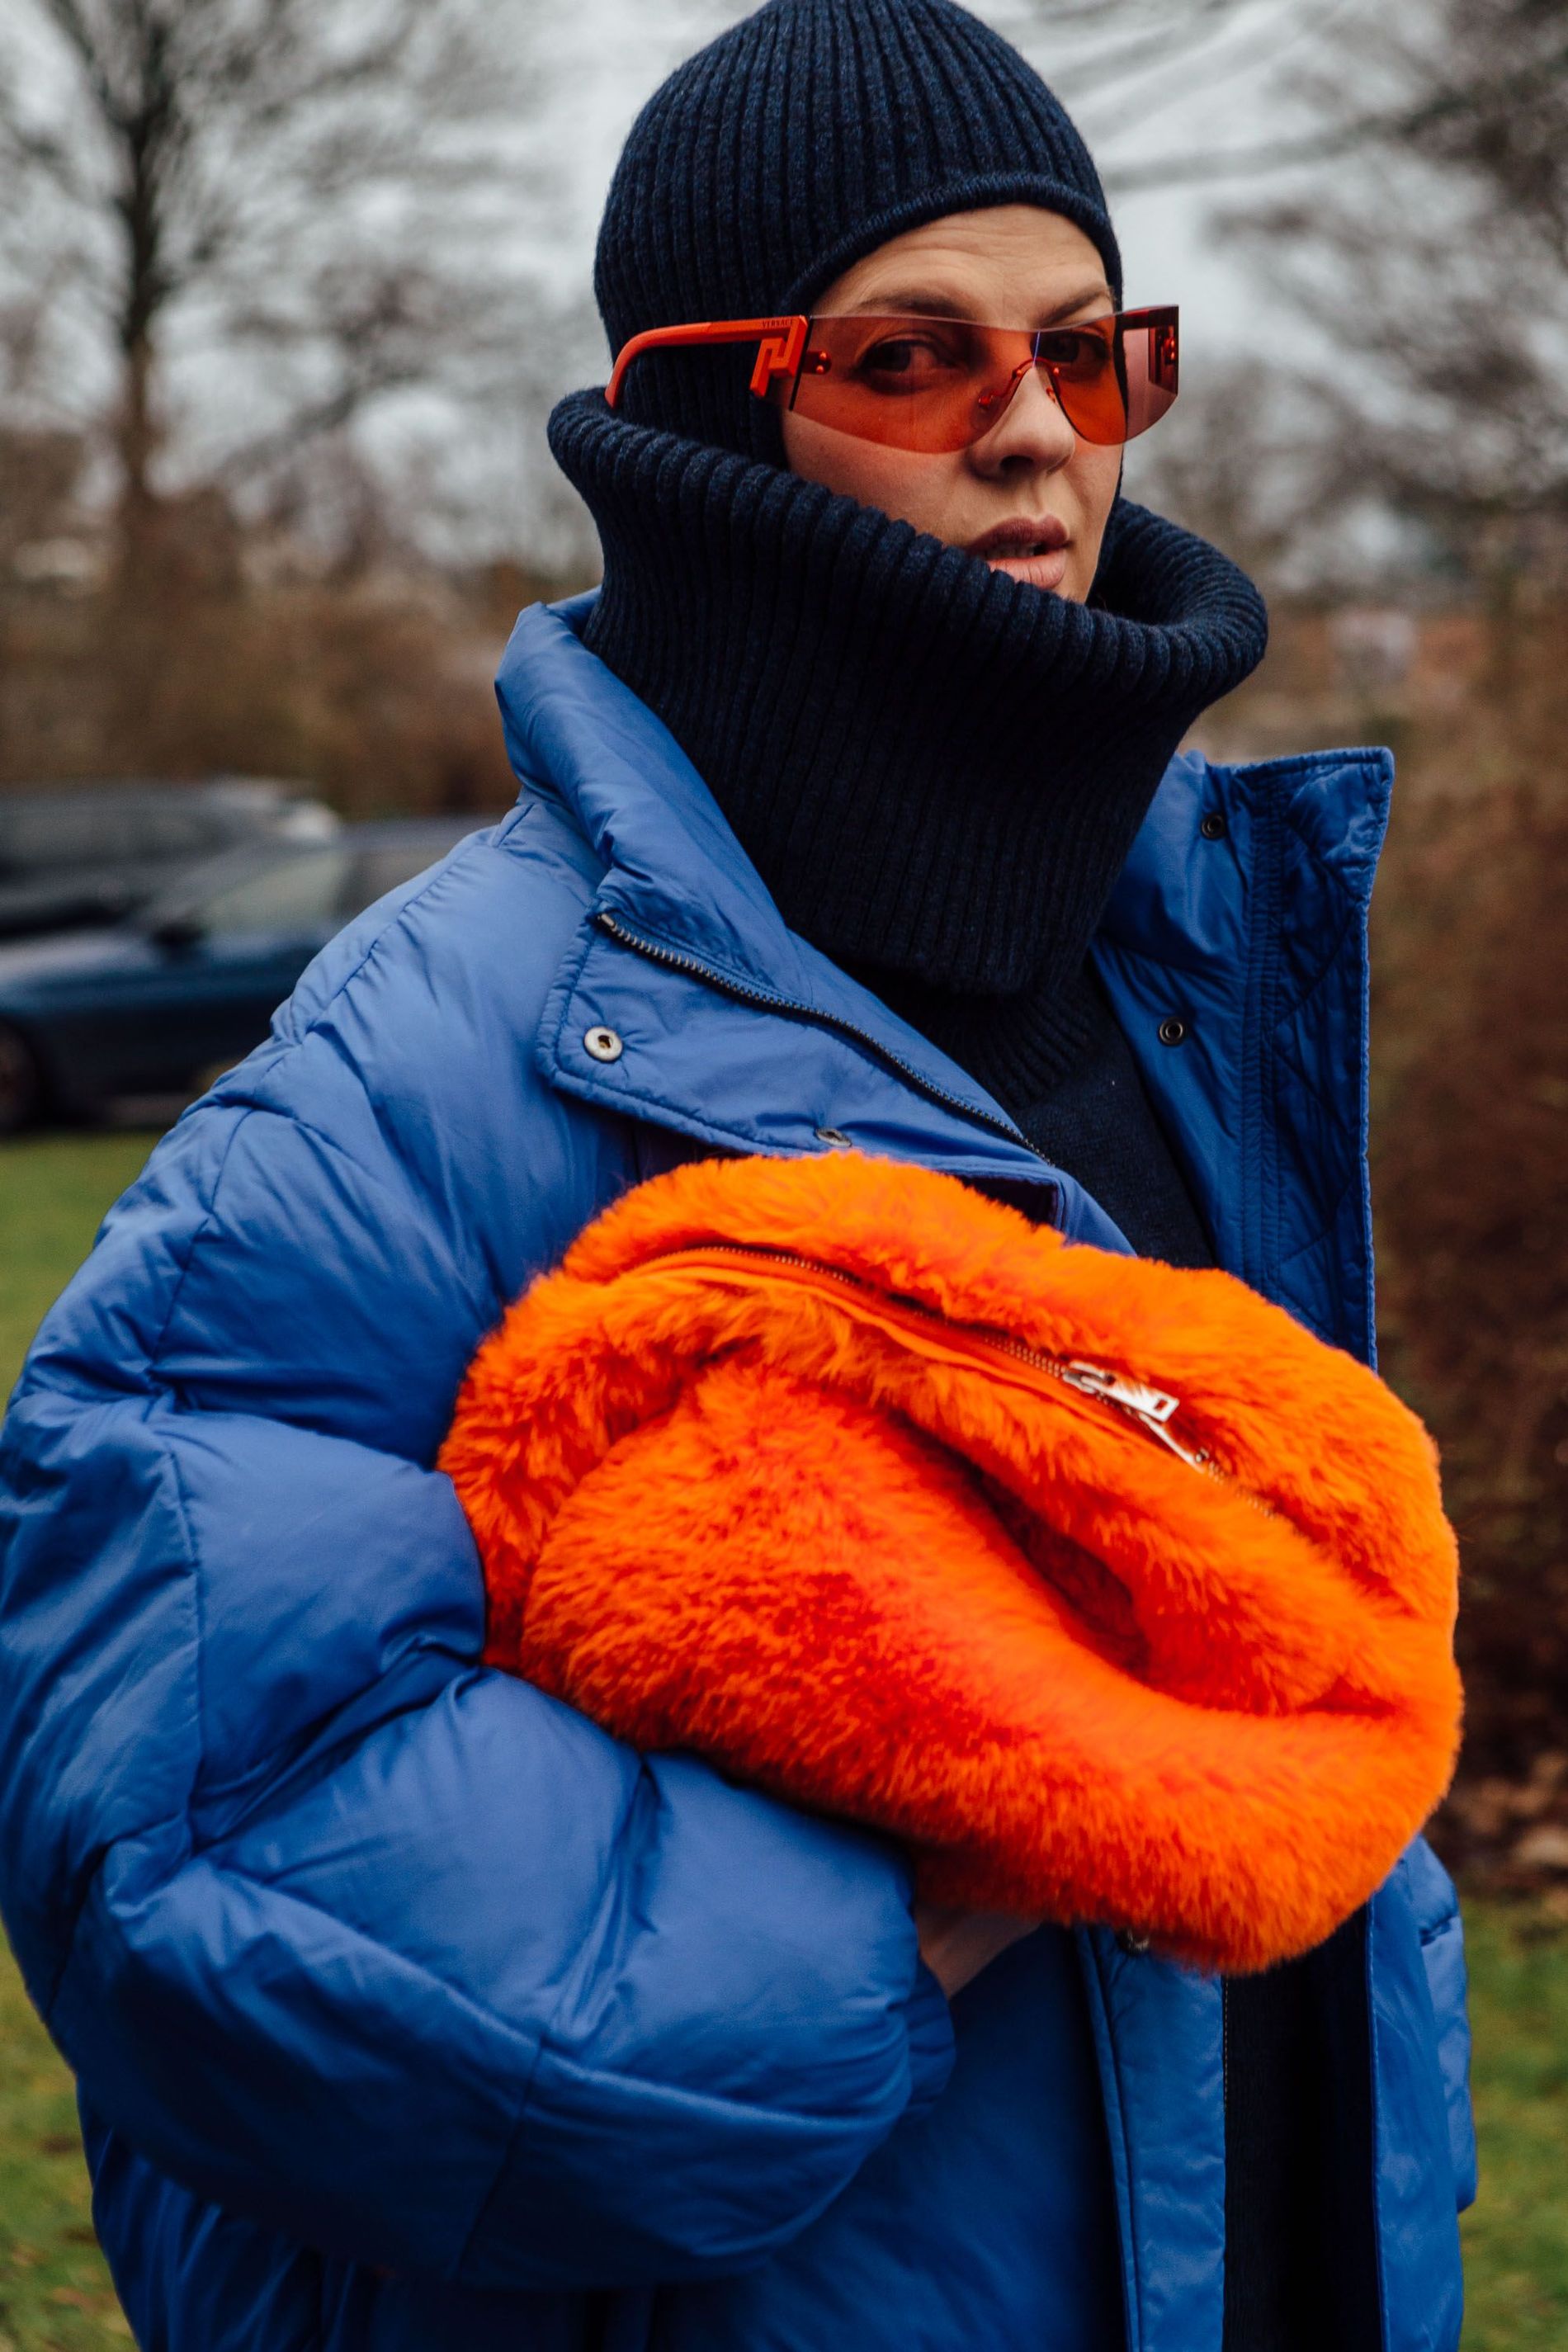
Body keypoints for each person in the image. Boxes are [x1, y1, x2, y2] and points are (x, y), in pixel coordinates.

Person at [0, 2, 1474, 2348]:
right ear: (701, 422)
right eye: (912, 353)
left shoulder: (1197, 983)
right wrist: (932, 1861)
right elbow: (189, 1859)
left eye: (1088, 358)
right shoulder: (404, 1082)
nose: (1030, 425)